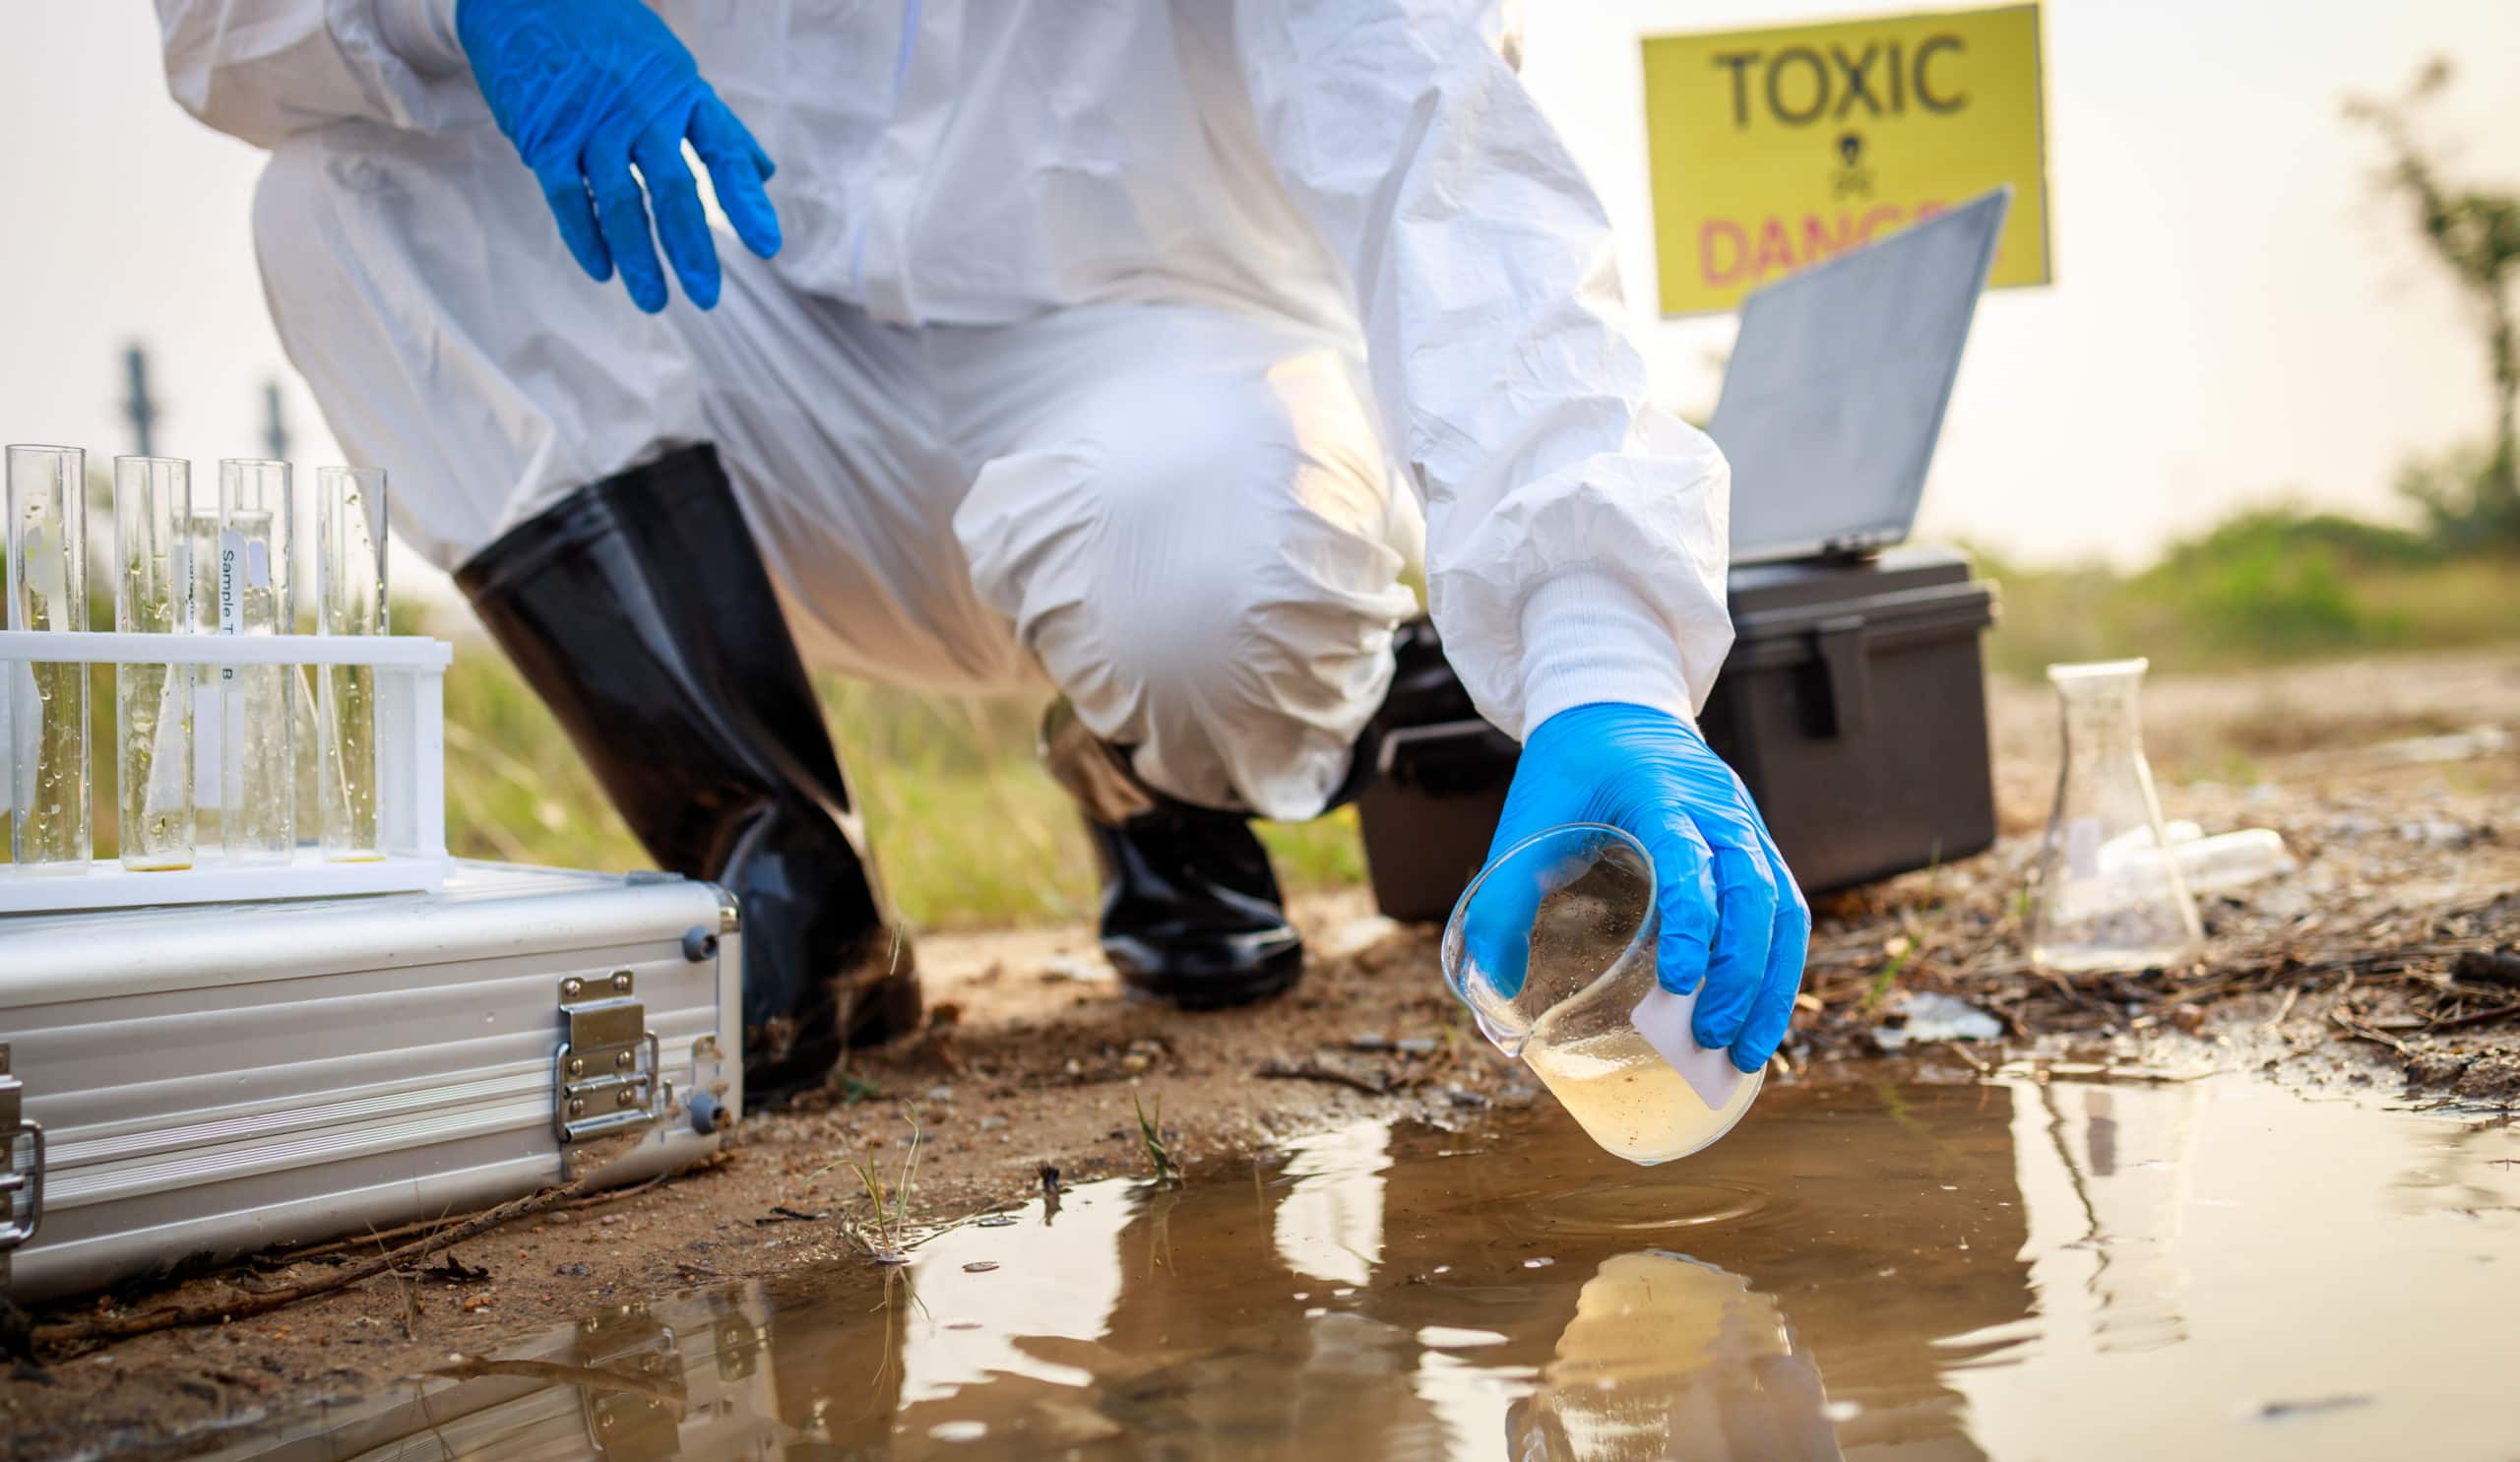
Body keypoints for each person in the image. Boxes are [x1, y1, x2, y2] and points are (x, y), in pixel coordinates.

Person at [158, 0, 1809, 1102]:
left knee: (1212, 597)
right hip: (735, 336)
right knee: (345, 193)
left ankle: (1159, 778)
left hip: (1157, 355)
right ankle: (777, 872)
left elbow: (1450, 163)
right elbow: (214, 36)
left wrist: (1604, 674)